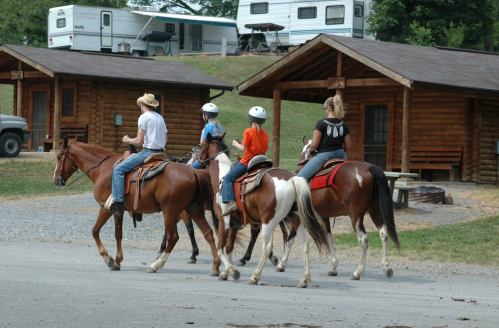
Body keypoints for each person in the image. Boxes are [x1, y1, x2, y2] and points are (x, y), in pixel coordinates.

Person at [104, 93, 168, 214]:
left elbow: (139, 141)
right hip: (161, 154)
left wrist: (127, 140)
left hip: (148, 152)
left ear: (142, 104)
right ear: (153, 105)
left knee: (118, 169)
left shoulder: (144, 117)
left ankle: (118, 203)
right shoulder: (160, 117)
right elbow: (166, 140)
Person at [221, 106, 269, 217]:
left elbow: (243, 149)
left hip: (248, 162)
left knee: (228, 178)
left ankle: (231, 202)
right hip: (261, 162)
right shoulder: (265, 134)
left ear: (251, 120)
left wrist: (235, 144)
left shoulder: (248, 131)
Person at [297, 95, 351, 181]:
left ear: (329, 108)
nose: (325, 110)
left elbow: (314, 145)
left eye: (325, 108)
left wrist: (311, 151)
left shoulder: (321, 123)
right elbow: (348, 146)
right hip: (341, 155)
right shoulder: (344, 125)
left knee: (299, 178)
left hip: (325, 155)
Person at [190, 103, 223, 169]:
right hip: (218, 153)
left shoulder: (208, 126)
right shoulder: (219, 126)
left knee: (191, 168)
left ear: (206, 115)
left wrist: (202, 132)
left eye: (203, 114)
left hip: (209, 155)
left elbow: (203, 143)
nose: (203, 115)